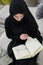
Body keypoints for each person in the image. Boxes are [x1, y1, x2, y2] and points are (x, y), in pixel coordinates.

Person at [5, 0, 42, 65]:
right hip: (18, 40)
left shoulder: (28, 17)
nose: (19, 19)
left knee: (31, 58)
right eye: (16, 16)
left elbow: (35, 32)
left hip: (31, 39)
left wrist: (30, 36)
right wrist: (19, 37)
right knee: (21, 59)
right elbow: (9, 35)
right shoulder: (8, 21)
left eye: (21, 16)